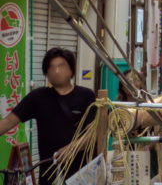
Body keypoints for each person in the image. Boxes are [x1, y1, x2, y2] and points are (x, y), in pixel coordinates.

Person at [0, 47, 96, 184]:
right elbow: (8, 121)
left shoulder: (86, 95)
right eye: (51, 67)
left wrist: (72, 148)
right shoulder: (38, 97)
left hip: (81, 173)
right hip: (49, 172)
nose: (56, 71)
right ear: (46, 72)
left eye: (61, 66)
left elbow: (94, 132)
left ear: (71, 70)